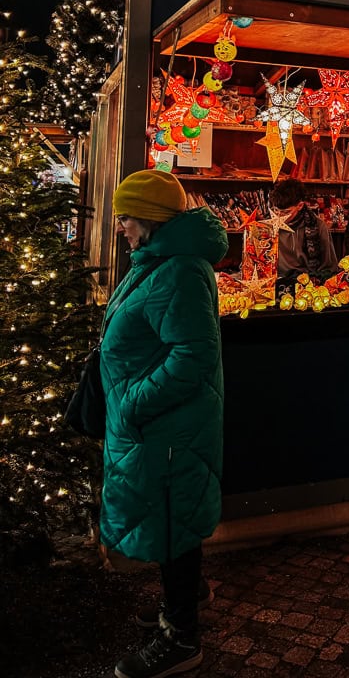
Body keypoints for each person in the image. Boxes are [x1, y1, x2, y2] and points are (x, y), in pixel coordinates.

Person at [100, 169, 228, 678]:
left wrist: (132, 401)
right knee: (168, 515)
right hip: (159, 425)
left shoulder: (177, 270)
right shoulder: (157, 261)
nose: (122, 228)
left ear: (150, 219)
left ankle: (181, 638)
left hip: (167, 426)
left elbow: (193, 355)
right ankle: (182, 603)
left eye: (126, 217)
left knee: (172, 521)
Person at [271, 177, 338, 283]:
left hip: (306, 284)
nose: (278, 216)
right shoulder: (266, 226)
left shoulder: (318, 226)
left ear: (300, 205)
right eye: (275, 210)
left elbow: (329, 268)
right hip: (273, 282)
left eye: (285, 212)